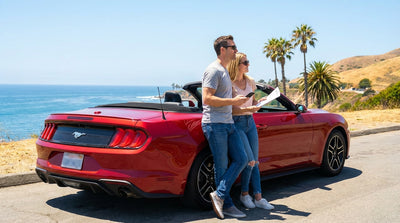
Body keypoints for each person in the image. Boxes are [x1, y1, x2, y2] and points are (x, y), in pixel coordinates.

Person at [202, 35, 249, 219]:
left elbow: (226, 101)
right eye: (233, 47)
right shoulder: (213, 70)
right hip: (214, 124)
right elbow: (207, 98)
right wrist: (232, 100)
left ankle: (220, 195)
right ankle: (227, 204)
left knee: (242, 159)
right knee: (221, 166)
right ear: (223, 49)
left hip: (228, 123)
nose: (236, 50)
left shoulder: (224, 71)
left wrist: (247, 106)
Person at [227, 52, 275, 210]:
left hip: (250, 122)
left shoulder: (251, 82)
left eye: (248, 61)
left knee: (255, 161)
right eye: (245, 62)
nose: (248, 64)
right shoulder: (230, 84)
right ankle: (244, 194)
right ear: (237, 65)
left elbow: (252, 101)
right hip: (237, 123)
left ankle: (259, 197)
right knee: (249, 161)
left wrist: (259, 102)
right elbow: (232, 109)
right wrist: (250, 108)